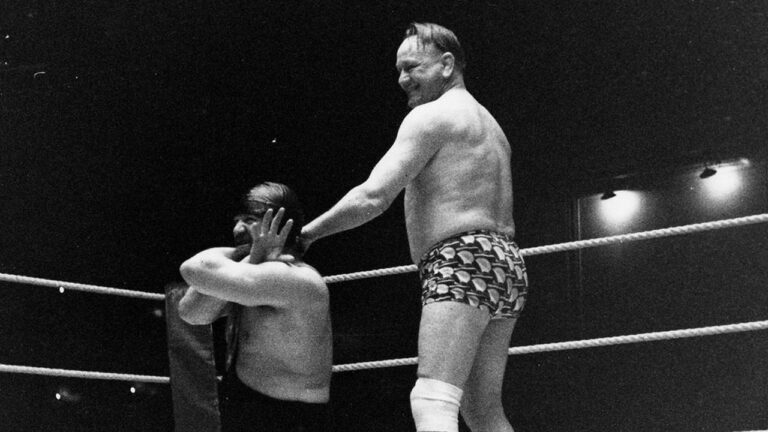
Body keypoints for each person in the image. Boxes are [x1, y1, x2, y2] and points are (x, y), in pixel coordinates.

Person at [300, 23, 528, 432]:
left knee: (432, 399)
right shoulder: (491, 126)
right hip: (506, 263)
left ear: (446, 64)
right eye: (398, 71)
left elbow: (373, 197)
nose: (403, 80)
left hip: (460, 258)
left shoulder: (433, 117)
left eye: (411, 67)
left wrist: (307, 234)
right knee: (481, 409)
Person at [178, 182, 333, 432]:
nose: (237, 228)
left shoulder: (296, 279)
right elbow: (191, 312)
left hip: (288, 418)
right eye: (237, 220)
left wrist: (248, 258)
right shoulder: (252, 273)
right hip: (247, 405)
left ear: (281, 223)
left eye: (249, 219)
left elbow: (192, 269)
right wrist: (253, 256)